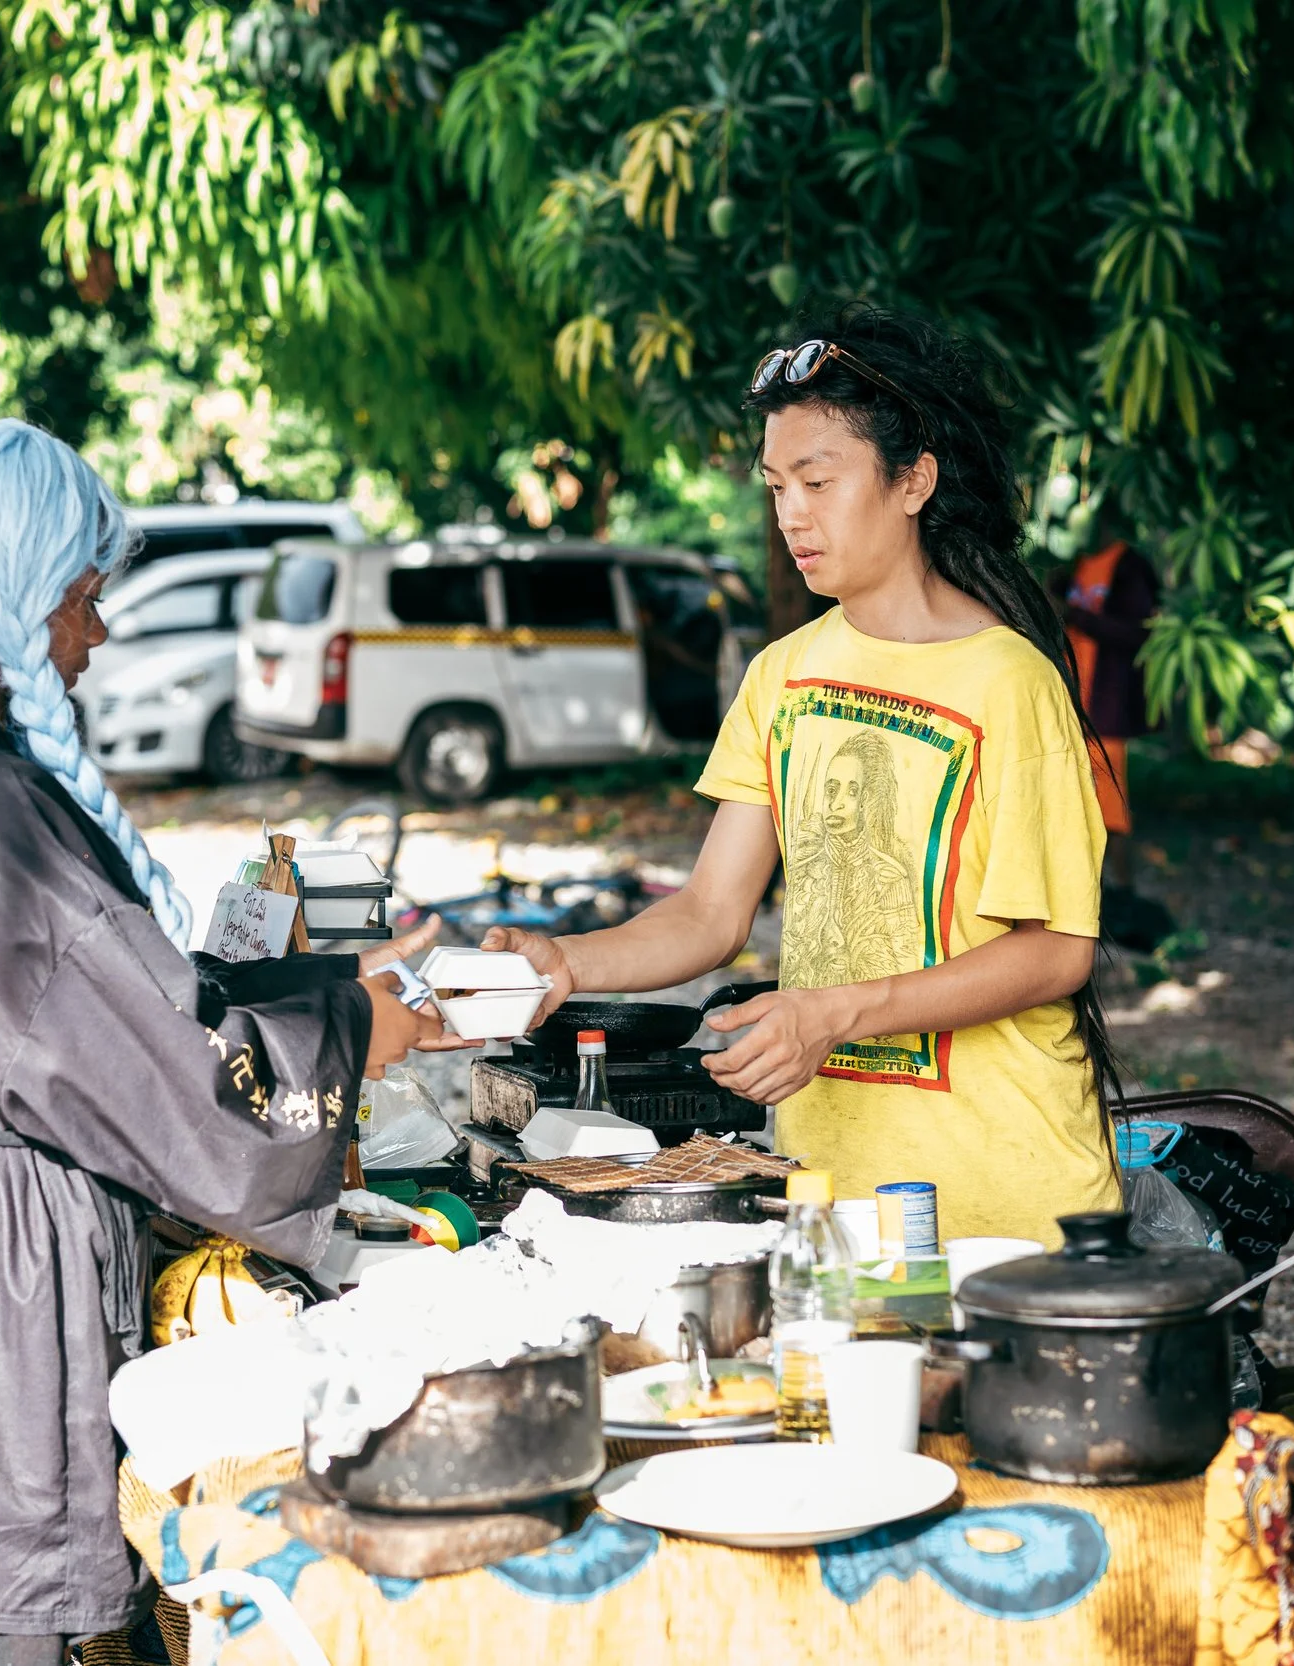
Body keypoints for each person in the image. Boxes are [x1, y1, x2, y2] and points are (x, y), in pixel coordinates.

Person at [0, 418, 441, 1662]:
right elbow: (161, 1064)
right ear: (12, 594)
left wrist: (321, 982)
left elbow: (114, 986)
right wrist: (352, 1025)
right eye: (82, 599)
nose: (97, 635)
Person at [487, 303, 1120, 1246]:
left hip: (1003, 1200)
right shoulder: (784, 674)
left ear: (914, 482)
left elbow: (1057, 950)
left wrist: (837, 1011)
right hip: (834, 1187)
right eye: (777, 486)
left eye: (819, 481)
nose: (791, 514)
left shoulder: (1008, 682)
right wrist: (567, 962)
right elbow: (709, 913)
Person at [1057, 530, 1159, 885]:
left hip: (1105, 709)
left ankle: (1121, 896)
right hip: (1072, 706)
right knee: (1075, 805)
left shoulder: (1129, 567)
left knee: (1109, 811)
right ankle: (1089, 894)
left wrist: (1076, 615)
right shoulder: (1078, 564)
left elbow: (1138, 633)